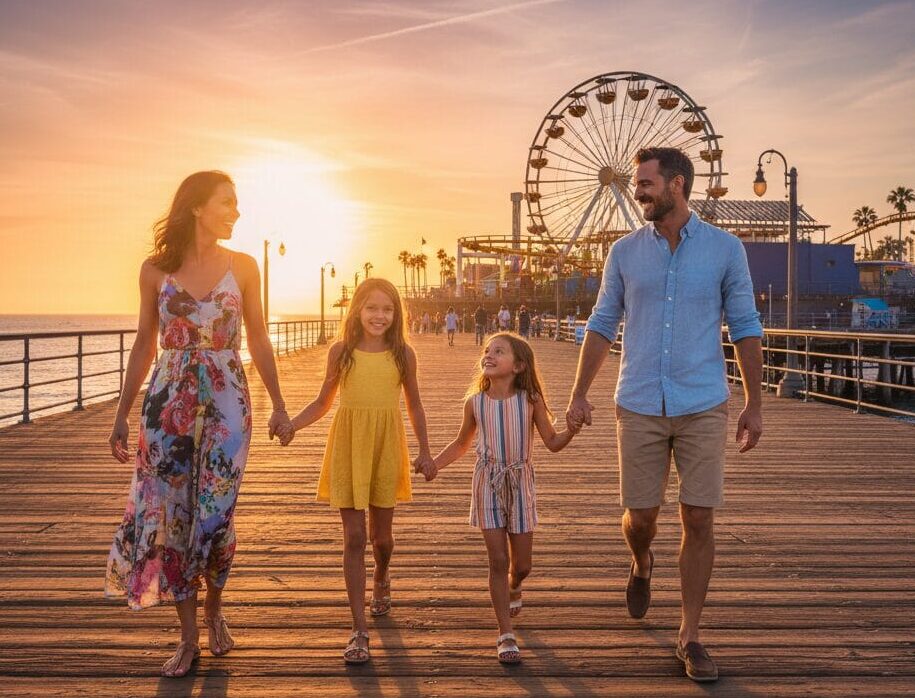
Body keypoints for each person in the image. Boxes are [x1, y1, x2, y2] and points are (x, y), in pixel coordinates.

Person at [566, 147, 763, 683]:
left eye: (646, 182)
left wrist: (754, 403)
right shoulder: (624, 252)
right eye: (637, 183)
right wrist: (579, 392)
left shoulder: (725, 250)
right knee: (643, 516)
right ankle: (641, 560)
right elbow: (603, 322)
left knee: (698, 517)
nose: (638, 190)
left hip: (703, 401)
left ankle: (690, 634)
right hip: (638, 402)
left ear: (677, 184)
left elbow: (745, 325)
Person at [105, 171, 292, 678]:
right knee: (173, 518)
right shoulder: (153, 271)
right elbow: (145, 344)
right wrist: (122, 413)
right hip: (168, 403)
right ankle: (188, 637)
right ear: (196, 207)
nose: (236, 212)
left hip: (229, 399)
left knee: (216, 514)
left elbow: (258, 338)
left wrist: (278, 402)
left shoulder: (246, 267)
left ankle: (215, 608)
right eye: (227, 203)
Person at [278, 278, 433, 664]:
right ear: (357, 311)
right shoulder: (341, 352)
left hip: (385, 445)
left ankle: (382, 577)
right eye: (372, 308)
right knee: (353, 537)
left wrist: (426, 450)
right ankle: (359, 629)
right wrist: (292, 425)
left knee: (382, 539)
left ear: (396, 315)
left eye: (387, 309)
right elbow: (322, 401)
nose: (379, 316)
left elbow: (414, 404)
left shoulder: (403, 354)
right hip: (349, 445)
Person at [424, 333, 579, 664]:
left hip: (520, 482)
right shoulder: (475, 402)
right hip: (487, 482)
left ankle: (515, 585)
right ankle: (505, 633)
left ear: (518, 365)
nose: (489, 355)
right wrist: (434, 464)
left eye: (499, 351)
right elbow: (462, 443)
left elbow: (551, 442)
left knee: (522, 565)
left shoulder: (531, 399)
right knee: (497, 560)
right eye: (486, 351)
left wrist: (571, 430)